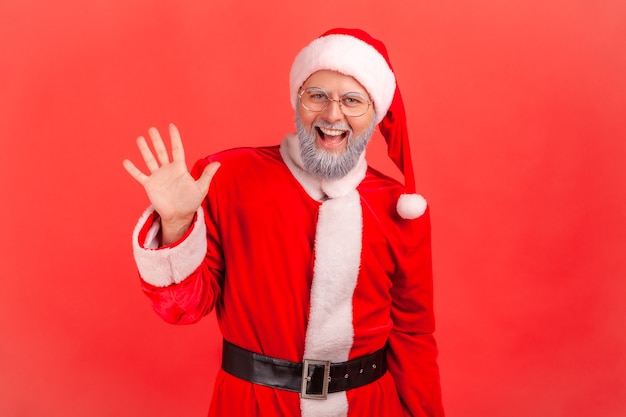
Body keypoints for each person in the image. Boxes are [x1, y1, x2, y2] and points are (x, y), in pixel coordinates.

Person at [123, 28, 445, 417]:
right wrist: (175, 225)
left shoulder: (399, 207)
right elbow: (183, 309)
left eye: (352, 101)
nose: (332, 114)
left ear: (374, 115)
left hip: (368, 407)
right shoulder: (227, 177)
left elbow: (414, 335)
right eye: (318, 96)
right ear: (298, 101)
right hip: (252, 405)